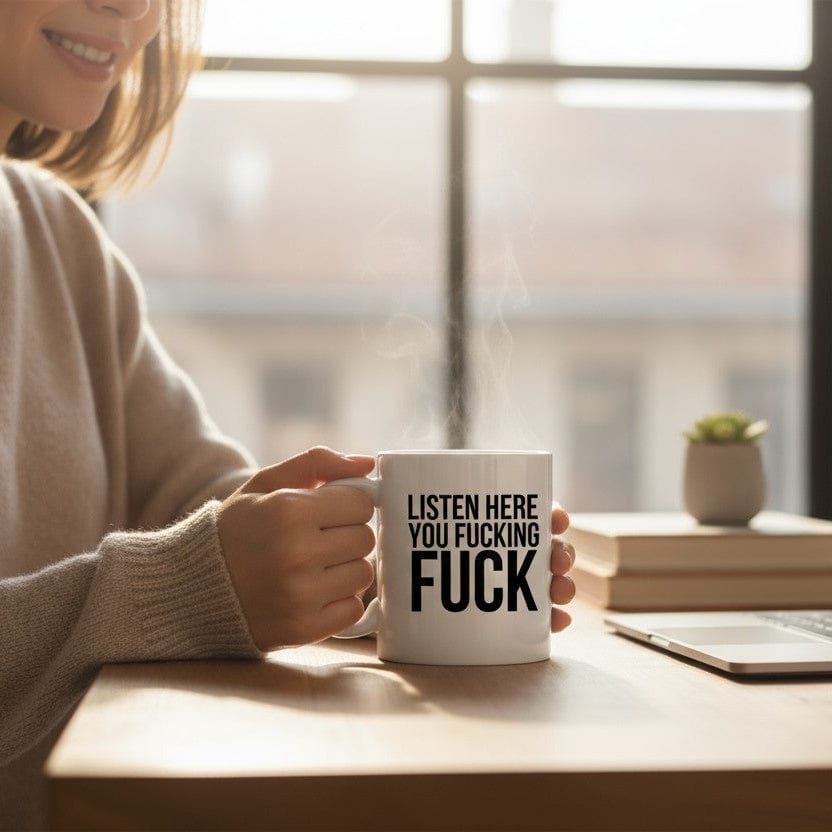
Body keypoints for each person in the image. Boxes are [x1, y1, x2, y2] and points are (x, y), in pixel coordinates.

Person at [0, 1, 576, 828]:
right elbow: (188, 568)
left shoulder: (60, 241)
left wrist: (388, 557)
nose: (132, 6)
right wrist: (194, 588)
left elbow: (199, 500)